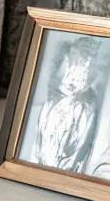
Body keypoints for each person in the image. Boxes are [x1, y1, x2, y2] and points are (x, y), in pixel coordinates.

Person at [31, 36, 104, 172]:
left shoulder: (86, 108)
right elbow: (38, 142)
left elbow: (80, 148)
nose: (71, 79)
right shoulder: (51, 102)